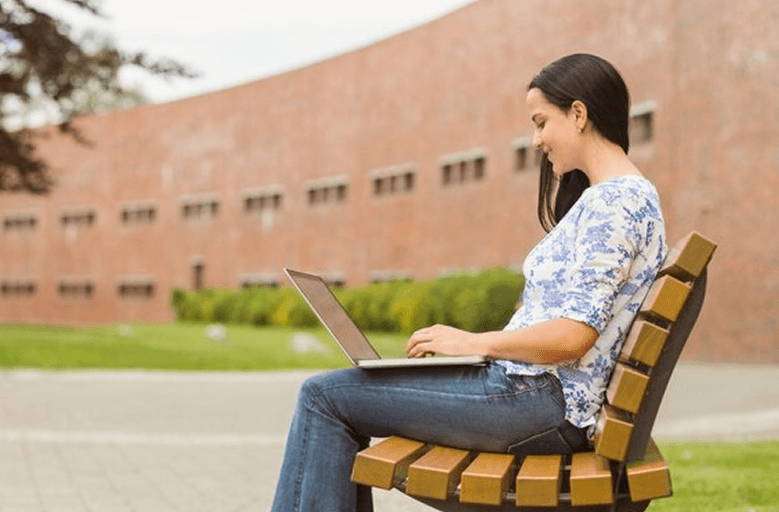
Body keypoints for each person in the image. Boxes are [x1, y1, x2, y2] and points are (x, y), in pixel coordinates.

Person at [269, 53, 667, 512]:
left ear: (578, 114)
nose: (536, 140)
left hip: (538, 401)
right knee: (338, 396)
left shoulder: (615, 204)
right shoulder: (620, 197)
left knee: (323, 398)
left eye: (541, 123)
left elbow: (574, 336)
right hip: (535, 394)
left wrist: (470, 342)